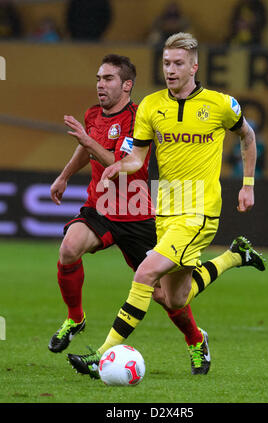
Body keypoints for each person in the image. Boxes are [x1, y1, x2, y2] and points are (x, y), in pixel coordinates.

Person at [68, 33, 266, 378]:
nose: (170, 70)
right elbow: (137, 157)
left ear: (194, 66)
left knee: (145, 275)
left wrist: (248, 184)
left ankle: (100, 354)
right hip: (166, 208)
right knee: (175, 298)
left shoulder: (221, 104)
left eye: (177, 64)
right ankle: (235, 256)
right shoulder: (151, 106)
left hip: (200, 211)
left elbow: (247, 137)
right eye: (165, 63)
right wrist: (118, 165)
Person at [48, 54, 218, 377]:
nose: (100, 84)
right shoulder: (92, 115)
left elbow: (124, 165)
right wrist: (65, 175)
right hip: (102, 207)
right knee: (69, 248)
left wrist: (87, 140)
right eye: (98, 78)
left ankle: (196, 340)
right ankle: (75, 318)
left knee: (167, 297)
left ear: (127, 85)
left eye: (108, 79)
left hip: (137, 213)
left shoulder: (139, 118)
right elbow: (86, 149)